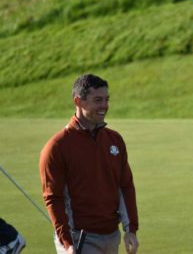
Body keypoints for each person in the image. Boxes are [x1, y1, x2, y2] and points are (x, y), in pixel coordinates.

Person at [39, 74, 139, 254]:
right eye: (98, 100)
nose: (104, 106)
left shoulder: (114, 139)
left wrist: (130, 229)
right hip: (79, 240)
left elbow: (125, 186)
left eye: (106, 99)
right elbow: (54, 199)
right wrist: (67, 243)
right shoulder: (57, 147)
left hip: (111, 236)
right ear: (78, 101)